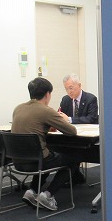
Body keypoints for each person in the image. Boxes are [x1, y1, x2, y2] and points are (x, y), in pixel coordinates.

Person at [12, 77, 80, 211]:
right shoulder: (46, 110)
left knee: (46, 155)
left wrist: (47, 127)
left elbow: (32, 126)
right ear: (48, 94)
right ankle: (48, 195)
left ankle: (32, 191)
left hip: (18, 161)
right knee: (74, 159)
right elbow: (72, 131)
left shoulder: (18, 108)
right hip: (37, 161)